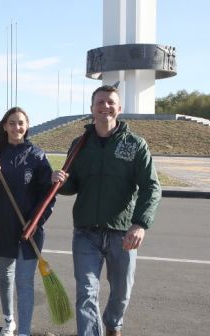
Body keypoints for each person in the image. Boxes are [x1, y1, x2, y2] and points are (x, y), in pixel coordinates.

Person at [52, 85, 161, 336]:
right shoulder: (79, 144)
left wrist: (140, 224)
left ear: (119, 109)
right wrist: (60, 182)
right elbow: (74, 185)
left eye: (110, 102)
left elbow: (151, 187)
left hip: (122, 233)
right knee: (86, 293)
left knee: (121, 291)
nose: (105, 107)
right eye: (100, 103)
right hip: (85, 232)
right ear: (92, 109)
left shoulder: (135, 145)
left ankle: (113, 324)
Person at [0, 107, 55, 336]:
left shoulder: (37, 155)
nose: (16, 127)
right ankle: (9, 320)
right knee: (5, 277)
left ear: (27, 126)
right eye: (12, 123)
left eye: (21, 123)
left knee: (24, 282)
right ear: (4, 126)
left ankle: (24, 331)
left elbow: (48, 195)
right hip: (1, 226)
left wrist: (37, 220)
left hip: (29, 229)